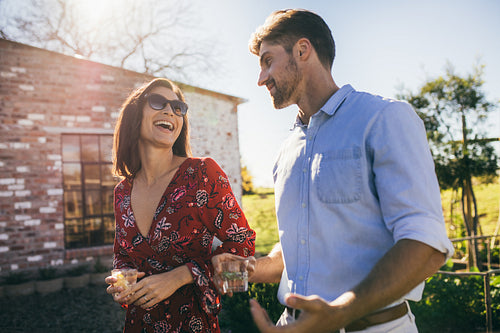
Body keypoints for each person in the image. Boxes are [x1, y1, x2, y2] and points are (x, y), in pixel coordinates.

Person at [246, 9, 454, 333]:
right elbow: (295, 248)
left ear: (302, 51)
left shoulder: (384, 118)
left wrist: (340, 313)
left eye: (268, 61)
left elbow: (426, 244)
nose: (261, 78)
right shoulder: (286, 149)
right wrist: (247, 268)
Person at [105, 78, 256, 333]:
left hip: (193, 325)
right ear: (134, 114)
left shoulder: (202, 174)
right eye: (158, 102)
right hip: (138, 325)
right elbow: (122, 255)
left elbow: (243, 244)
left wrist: (182, 275)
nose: (170, 111)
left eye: (178, 108)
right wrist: (122, 279)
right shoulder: (122, 192)